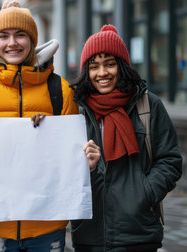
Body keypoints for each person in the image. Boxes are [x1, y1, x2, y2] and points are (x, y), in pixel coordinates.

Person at [0, 1, 100, 251]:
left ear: (33, 39)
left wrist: (67, 148)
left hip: (46, 224)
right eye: (3, 36)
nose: (12, 43)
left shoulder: (59, 89)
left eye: (21, 35)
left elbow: (70, 156)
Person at [69, 24, 183, 252]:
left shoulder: (148, 105)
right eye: (94, 66)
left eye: (110, 64)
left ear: (121, 67)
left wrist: (144, 193)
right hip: (89, 235)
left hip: (138, 232)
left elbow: (170, 160)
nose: (102, 73)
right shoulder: (75, 110)